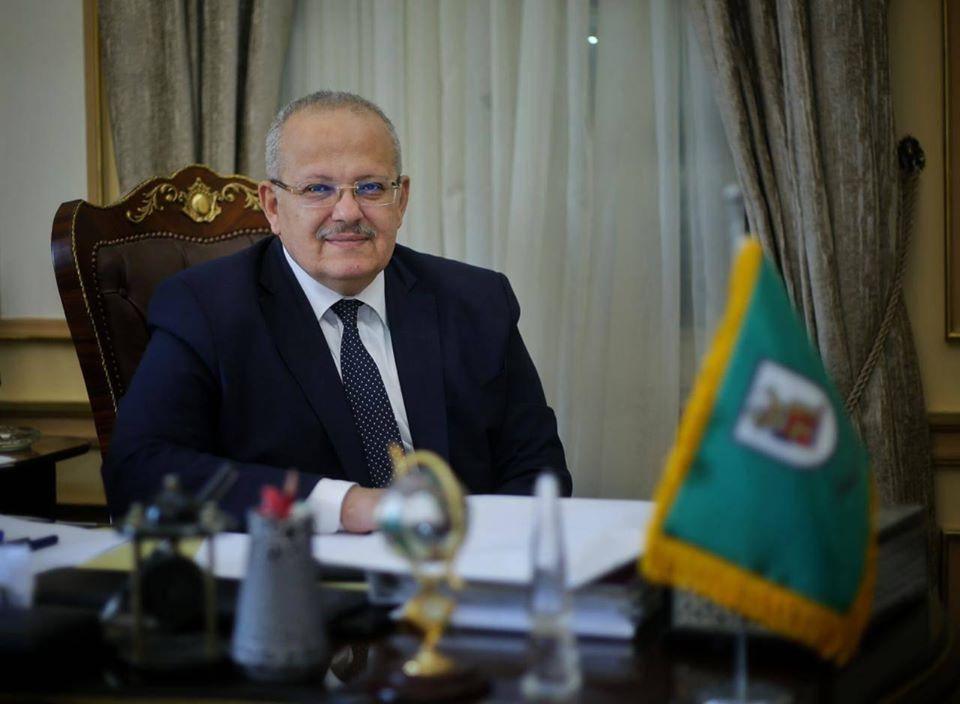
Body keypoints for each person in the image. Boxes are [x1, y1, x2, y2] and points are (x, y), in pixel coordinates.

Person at [103, 90, 570, 533]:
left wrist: (490, 554)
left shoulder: (477, 301)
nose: (347, 212)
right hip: (303, 571)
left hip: (459, 566)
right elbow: (139, 471)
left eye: (370, 187)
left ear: (401, 200)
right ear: (272, 205)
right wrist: (346, 506)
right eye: (318, 188)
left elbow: (538, 470)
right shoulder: (205, 308)